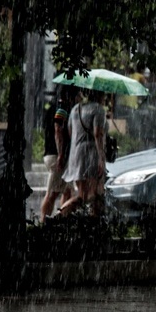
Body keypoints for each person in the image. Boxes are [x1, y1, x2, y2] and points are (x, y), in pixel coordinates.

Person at [59, 89, 107, 217]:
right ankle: (58, 217)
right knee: (91, 195)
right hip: (90, 155)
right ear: (101, 95)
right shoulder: (98, 109)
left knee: (87, 195)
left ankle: (92, 224)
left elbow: (70, 131)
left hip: (76, 155)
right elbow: (98, 134)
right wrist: (101, 158)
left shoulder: (76, 109)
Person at [39, 88, 74, 222]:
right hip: (57, 156)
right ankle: (43, 222)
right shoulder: (61, 108)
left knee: (67, 191)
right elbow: (58, 130)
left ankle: (63, 220)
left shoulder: (53, 107)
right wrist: (60, 154)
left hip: (56, 155)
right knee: (52, 194)